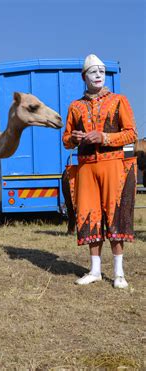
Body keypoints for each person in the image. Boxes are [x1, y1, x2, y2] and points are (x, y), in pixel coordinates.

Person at [63, 54, 137, 289]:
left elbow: (131, 133)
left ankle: (119, 273)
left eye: (101, 72)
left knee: (115, 215)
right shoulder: (75, 106)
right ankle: (95, 270)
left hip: (113, 163)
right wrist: (73, 139)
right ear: (84, 76)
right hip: (85, 166)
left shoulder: (118, 101)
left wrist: (104, 137)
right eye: (93, 72)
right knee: (89, 215)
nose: (98, 76)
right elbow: (65, 140)